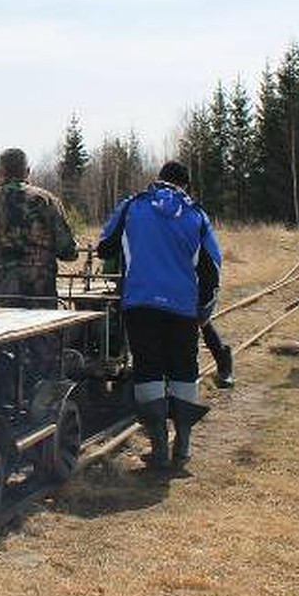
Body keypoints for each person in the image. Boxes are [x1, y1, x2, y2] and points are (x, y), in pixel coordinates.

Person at [96, 160, 222, 469]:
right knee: (183, 367)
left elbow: (104, 247)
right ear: (186, 185)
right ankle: (183, 446)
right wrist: (203, 309)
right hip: (182, 306)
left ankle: (158, 447)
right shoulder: (197, 215)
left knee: (147, 367)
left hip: (140, 302)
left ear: (159, 180)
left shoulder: (132, 206)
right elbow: (212, 268)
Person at [0, 148, 78, 305]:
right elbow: (68, 251)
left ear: (0, 171)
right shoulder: (47, 201)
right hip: (40, 294)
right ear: (27, 171)